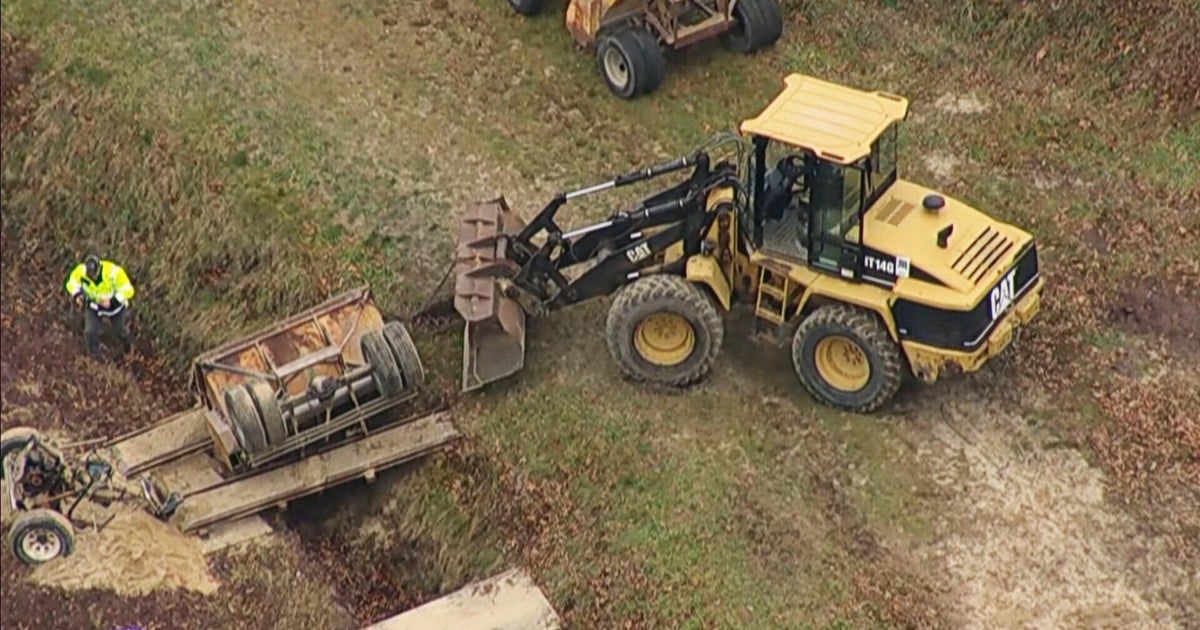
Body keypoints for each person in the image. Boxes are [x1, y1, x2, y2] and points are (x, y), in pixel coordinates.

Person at [65, 254, 136, 359]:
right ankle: (95, 356)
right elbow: (71, 283)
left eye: (94, 275)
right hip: (95, 307)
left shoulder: (114, 272)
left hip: (115, 308)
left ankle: (128, 348)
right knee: (90, 332)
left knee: (119, 330)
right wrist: (77, 296)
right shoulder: (81, 271)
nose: (93, 278)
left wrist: (112, 301)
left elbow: (128, 290)